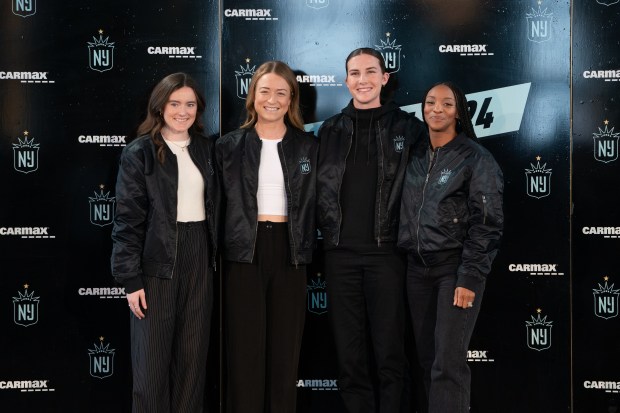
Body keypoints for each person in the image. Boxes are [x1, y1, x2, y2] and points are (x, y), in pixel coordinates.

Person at [316, 47, 426, 413]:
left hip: (388, 256)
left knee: (390, 353)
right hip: (339, 257)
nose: (361, 80)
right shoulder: (329, 131)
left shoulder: (410, 129)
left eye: (369, 72)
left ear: (384, 77)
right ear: (346, 80)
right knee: (349, 356)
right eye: (354, 73)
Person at [111, 72, 219, 413]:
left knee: (191, 362)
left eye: (189, 104)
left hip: (200, 256)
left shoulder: (207, 149)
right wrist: (131, 279)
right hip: (156, 261)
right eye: (175, 103)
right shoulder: (139, 153)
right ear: (160, 106)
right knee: (152, 365)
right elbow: (127, 221)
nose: (182, 111)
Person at [216, 61, 318, 413]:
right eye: (264, 91)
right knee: (245, 355)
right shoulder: (228, 146)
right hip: (244, 253)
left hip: (290, 253)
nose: (272, 99)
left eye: (280, 92)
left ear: (291, 99)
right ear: (252, 96)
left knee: (284, 356)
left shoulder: (309, 147)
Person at [398, 81, 504, 413]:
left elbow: (487, 223)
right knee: (429, 359)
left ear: (459, 112)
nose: (436, 109)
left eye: (446, 104)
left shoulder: (475, 158)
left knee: (448, 362)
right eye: (430, 103)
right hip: (416, 271)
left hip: (453, 272)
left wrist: (469, 277)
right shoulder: (414, 155)